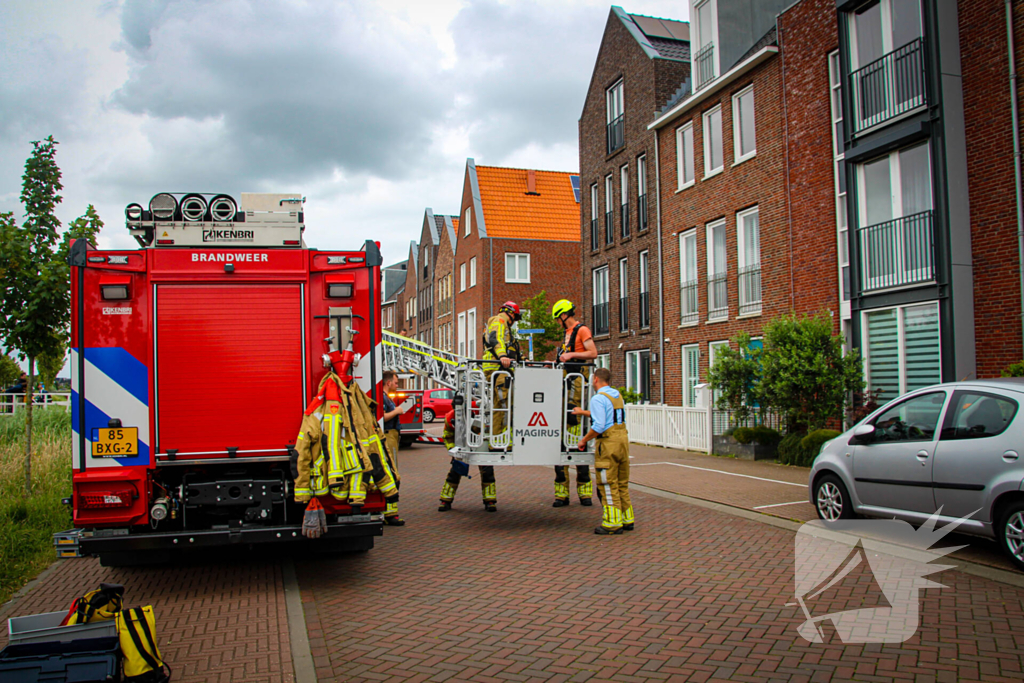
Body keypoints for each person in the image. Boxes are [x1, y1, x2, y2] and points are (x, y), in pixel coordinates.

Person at [574, 367, 634, 535]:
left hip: (608, 443)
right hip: (622, 439)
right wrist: (583, 412)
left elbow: (599, 425)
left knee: (607, 482)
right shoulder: (616, 395)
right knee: (622, 482)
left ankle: (612, 523)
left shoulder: (598, 398)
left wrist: (584, 439)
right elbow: (607, 416)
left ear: (595, 380)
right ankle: (627, 519)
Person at [551, 299, 597, 508]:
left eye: (558, 318)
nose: (558, 322)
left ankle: (584, 493)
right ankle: (561, 494)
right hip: (564, 382)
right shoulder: (566, 334)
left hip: (577, 382)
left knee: (576, 431)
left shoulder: (582, 330)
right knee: (560, 438)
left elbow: (592, 353)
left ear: (563, 315)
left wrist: (571, 354)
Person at [438, 410, 497, 512]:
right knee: (455, 473)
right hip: (461, 447)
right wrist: (452, 450)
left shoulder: (474, 414)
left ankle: (490, 501)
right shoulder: (449, 418)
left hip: (478, 446)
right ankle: (445, 501)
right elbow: (447, 436)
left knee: (487, 472)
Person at [481, 301, 522, 444]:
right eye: (515, 318)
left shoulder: (505, 328)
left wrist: (523, 359)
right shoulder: (498, 320)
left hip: (501, 370)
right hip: (498, 369)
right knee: (503, 405)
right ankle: (500, 439)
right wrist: (502, 356)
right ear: (510, 313)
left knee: (503, 404)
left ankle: (502, 438)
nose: (514, 322)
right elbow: (494, 339)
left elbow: (511, 348)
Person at [379, 371, 410, 526]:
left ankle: (389, 511)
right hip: (388, 436)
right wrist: (397, 411)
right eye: (396, 383)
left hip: (392, 436)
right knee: (392, 473)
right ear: (388, 382)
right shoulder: (382, 398)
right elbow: (381, 417)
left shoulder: (386, 397)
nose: (397, 386)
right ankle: (390, 513)